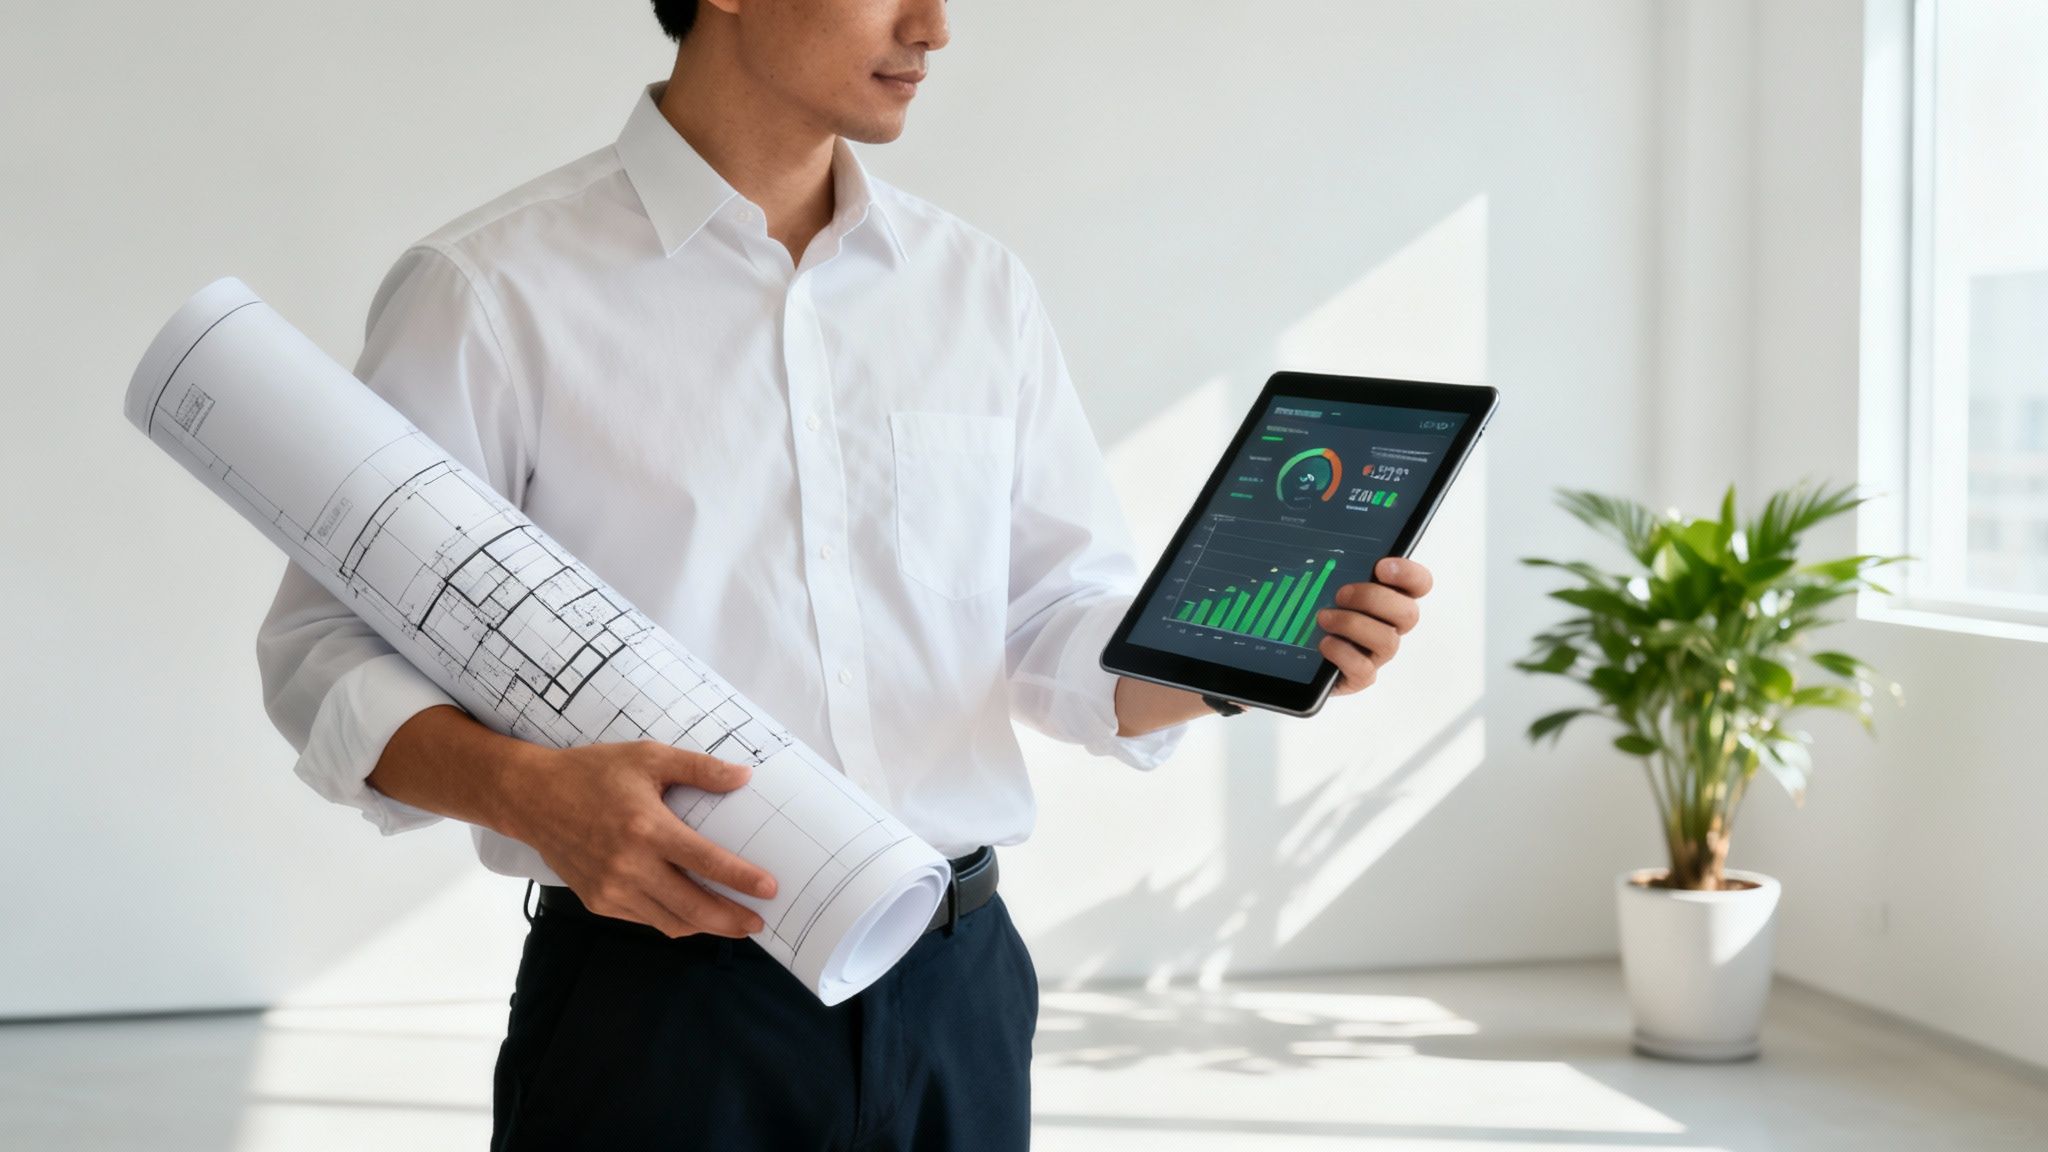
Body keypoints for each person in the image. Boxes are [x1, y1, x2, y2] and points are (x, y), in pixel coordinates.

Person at [253, 0, 1435, 1147]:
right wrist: (528, 794)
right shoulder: (491, 291)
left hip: (956, 991)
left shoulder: (976, 290)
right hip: (662, 1007)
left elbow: (1049, 621)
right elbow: (325, 654)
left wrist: (1239, 653)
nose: (933, 27)